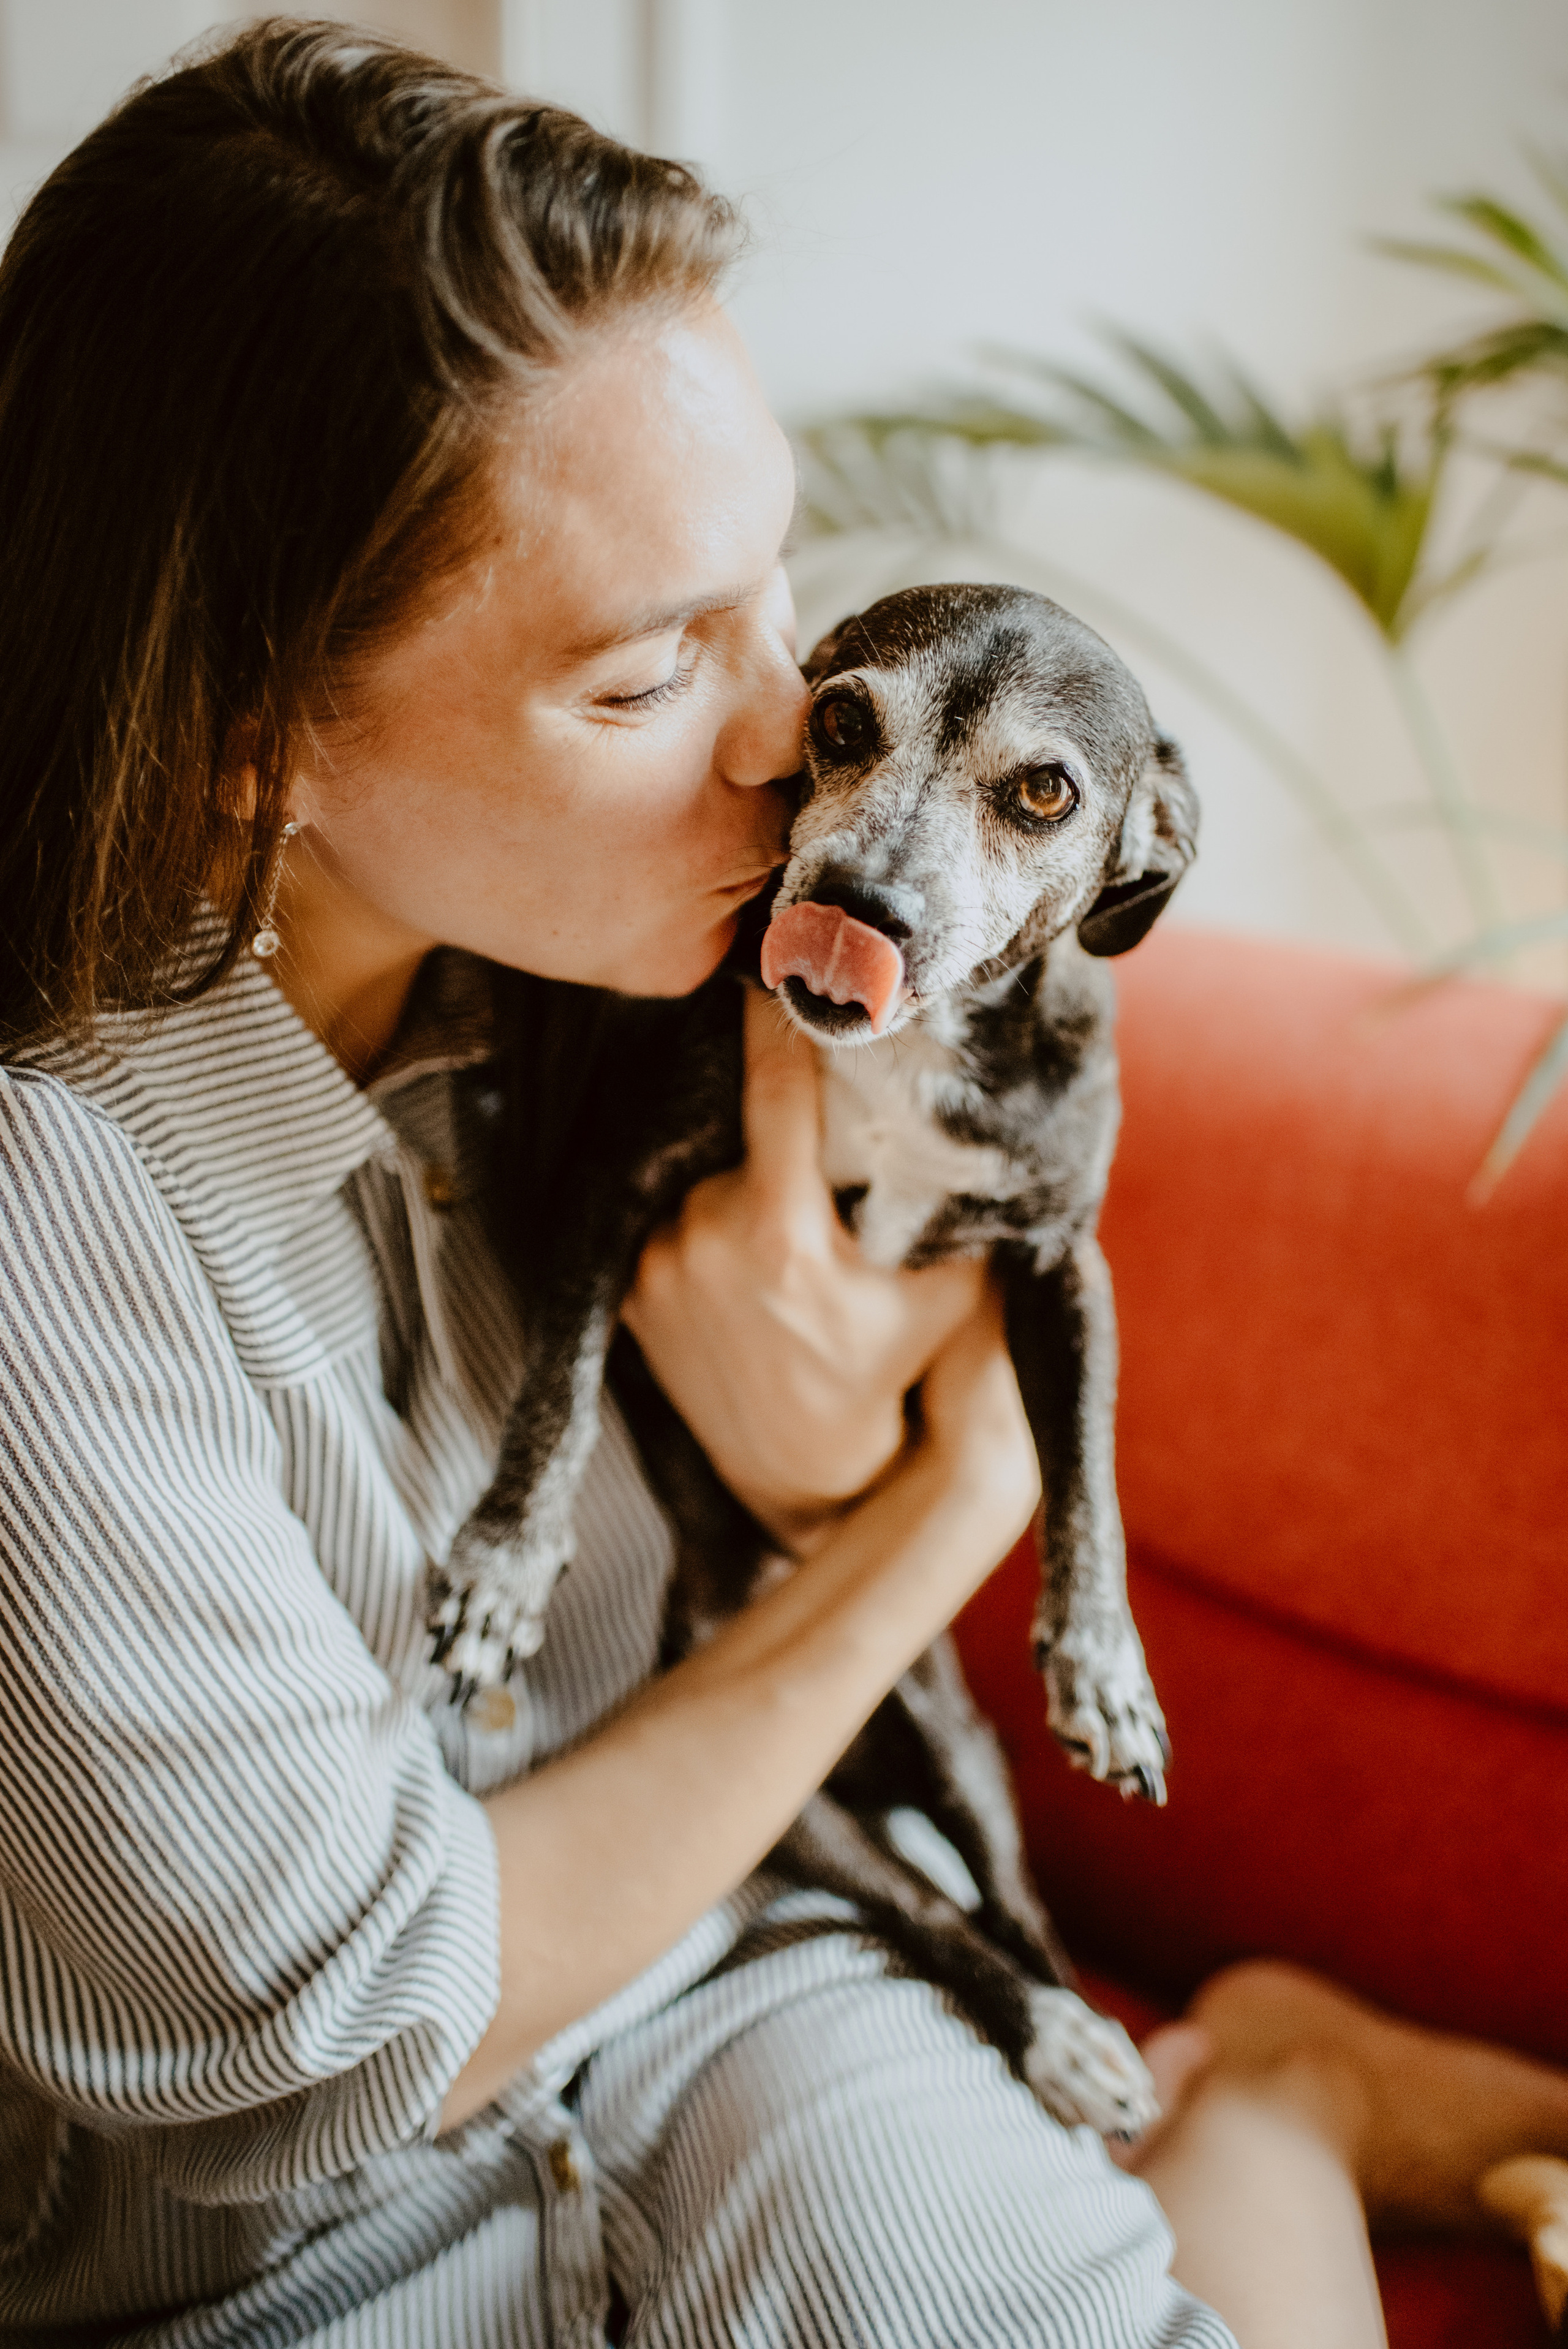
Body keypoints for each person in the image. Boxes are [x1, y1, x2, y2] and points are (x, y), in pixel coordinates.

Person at [2, 22, 1566, 2348]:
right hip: (271, 2260)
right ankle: (1286, 2097)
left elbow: (999, 1207)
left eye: (780, 592)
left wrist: (840, 1445)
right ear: (253, 734)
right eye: (650, 675)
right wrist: (952, 1504)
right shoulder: (51, 1227)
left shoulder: (678, 961)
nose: (793, 738)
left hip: (768, 1977)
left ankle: (1278, 2089)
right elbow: (338, 2030)